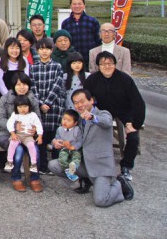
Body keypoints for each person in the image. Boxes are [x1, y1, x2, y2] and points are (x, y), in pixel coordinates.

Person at [49, 89, 134, 206]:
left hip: (100, 167)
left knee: (101, 201)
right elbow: (64, 133)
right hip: (82, 164)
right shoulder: (77, 119)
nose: (79, 105)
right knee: (54, 165)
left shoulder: (103, 114)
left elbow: (107, 122)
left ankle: (119, 184)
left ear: (91, 101)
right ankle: (83, 180)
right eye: (75, 103)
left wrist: (92, 117)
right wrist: (55, 142)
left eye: (82, 101)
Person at [84, 51, 146, 181]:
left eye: (110, 63)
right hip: (101, 111)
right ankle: (91, 163)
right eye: (103, 64)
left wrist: (135, 124)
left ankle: (126, 167)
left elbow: (138, 102)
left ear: (115, 64)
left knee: (133, 137)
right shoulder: (92, 79)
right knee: (90, 132)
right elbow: (86, 99)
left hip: (124, 110)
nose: (107, 66)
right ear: (98, 66)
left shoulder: (125, 79)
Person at [0, 72, 43, 191]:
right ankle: (16, 178)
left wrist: (35, 129)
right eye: (18, 84)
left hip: (28, 135)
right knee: (19, 150)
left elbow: (38, 119)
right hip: (8, 135)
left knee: (35, 150)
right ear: (13, 86)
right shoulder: (5, 99)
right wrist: (14, 128)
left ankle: (34, 178)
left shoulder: (33, 100)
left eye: (25, 84)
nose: (22, 87)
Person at [30, 37, 66, 172]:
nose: (44, 52)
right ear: (37, 51)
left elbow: (58, 85)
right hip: (40, 108)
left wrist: (48, 103)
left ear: (51, 50)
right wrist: (40, 104)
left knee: (55, 136)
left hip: (54, 106)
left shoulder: (57, 66)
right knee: (42, 137)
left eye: (47, 49)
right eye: (41, 49)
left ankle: (56, 166)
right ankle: (43, 166)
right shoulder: (34, 68)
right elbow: (33, 87)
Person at [4, 95, 43, 175]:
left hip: (28, 136)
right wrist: (13, 133)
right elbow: (9, 123)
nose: (23, 109)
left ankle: (33, 164)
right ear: (16, 107)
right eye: (20, 107)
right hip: (17, 134)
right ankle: (9, 161)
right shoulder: (15, 114)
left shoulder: (33, 115)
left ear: (29, 106)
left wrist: (40, 136)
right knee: (13, 143)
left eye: (25, 106)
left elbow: (38, 124)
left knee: (31, 145)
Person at [60, 0, 101, 67]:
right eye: (74, 4)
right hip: (72, 60)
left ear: (84, 5)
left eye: (79, 4)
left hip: (89, 59)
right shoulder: (65, 23)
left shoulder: (93, 21)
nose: (77, 6)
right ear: (70, 6)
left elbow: (98, 41)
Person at [52, 109, 83, 181]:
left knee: (76, 158)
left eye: (69, 120)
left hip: (74, 149)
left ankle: (72, 169)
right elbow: (56, 139)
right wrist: (56, 142)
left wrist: (73, 147)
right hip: (64, 148)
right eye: (64, 119)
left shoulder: (77, 130)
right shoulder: (60, 129)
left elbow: (80, 141)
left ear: (75, 123)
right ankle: (67, 170)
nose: (65, 122)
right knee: (62, 158)